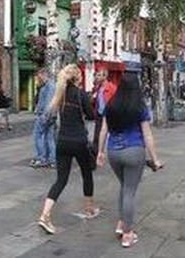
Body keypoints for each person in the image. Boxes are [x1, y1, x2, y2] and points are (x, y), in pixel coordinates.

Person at [97, 72, 163, 248]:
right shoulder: (139, 106)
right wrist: (155, 159)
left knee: (124, 186)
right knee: (129, 191)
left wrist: (100, 152)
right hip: (134, 151)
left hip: (113, 152)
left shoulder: (111, 104)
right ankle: (128, 233)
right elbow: (147, 134)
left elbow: (103, 130)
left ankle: (121, 223)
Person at [37, 64, 99, 235]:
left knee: (61, 180)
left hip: (62, 141)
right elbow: (92, 115)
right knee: (87, 173)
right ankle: (89, 209)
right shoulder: (81, 94)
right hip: (79, 141)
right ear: (77, 78)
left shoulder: (60, 95)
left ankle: (45, 215)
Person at [30, 68, 56, 168]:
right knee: (49, 137)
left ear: (44, 74)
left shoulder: (49, 86)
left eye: (39, 75)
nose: (38, 77)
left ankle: (42, 158)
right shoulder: (48, 85)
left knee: (38, 135)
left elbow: (48, 102)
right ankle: (52, 159)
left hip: (45, 115)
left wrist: (44, 116)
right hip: (50, 115)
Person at [91, 69, 117, 153]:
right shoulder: (97, 88)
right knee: (97, 136)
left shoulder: (111, 87)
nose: (96, 77)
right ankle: (95, 154)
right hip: (99, 114)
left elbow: (116, 100)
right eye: (96, 75)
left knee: (113, 134)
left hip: (110, 115)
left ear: (104, 76)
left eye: (98, 75)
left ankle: (116, 151)